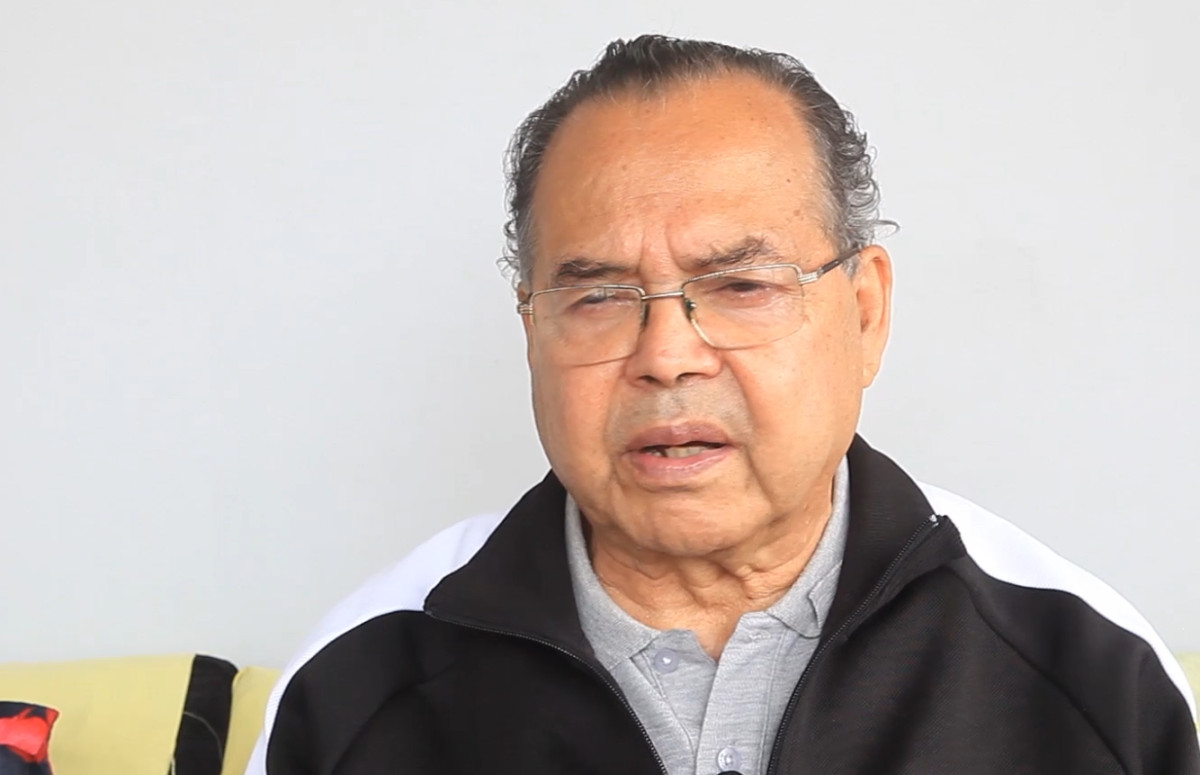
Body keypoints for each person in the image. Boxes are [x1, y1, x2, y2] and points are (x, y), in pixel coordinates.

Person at [246, 35, 1198, 774]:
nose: (667, 357)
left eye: (742, 286)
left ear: (865, 312)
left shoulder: (1081, 667)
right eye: (599, 296)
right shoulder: (361, 683)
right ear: (532, 326)